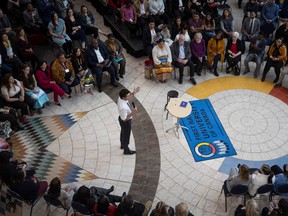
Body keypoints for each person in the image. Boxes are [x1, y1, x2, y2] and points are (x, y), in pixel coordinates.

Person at [117, 87, 139, 155]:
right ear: (123, 97)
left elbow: (127, 97)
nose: (129, 96)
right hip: (125, 122)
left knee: (123, 132)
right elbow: (125, 119)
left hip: (121, 118)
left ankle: (122, 145)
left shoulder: (120, 98)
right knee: (126, 135)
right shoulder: (123, 107)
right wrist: (133, 112)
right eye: (128, 96)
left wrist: (133, 93)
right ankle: (126, 150)